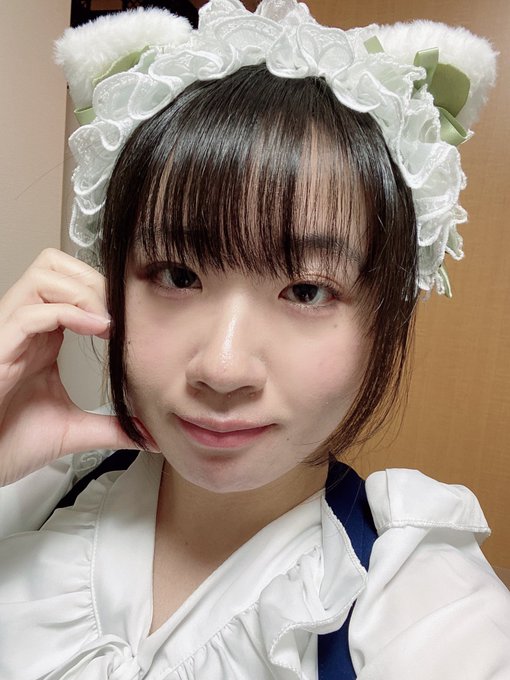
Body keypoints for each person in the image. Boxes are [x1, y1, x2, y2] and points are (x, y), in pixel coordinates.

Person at [0, 1, 509, 678]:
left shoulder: (423, 607)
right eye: (177, 275)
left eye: (307, 290)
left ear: (383, 315)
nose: (223, 366)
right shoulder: (33, 489)